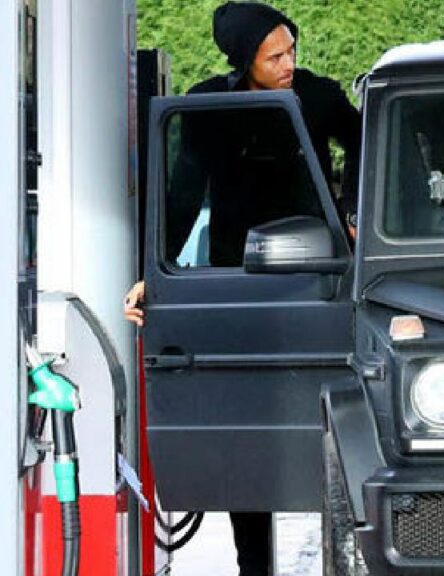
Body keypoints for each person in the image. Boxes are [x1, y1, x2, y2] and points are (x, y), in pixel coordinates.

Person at [123, 3, 361, 574]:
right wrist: (147, 270)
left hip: (318, 272)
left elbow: (367, 144)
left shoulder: (320, 96)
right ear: (243, 59)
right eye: (274, 55)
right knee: (246, 441)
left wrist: (353, 212)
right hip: (240, 273)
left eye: (291, 50)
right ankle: (252, 566)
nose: (288, 63)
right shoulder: (208, 104)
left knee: (330, 428)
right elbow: (182, 195)